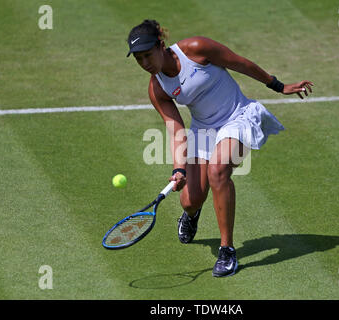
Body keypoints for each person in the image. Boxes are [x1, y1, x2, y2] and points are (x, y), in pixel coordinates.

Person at [126, 19, 313, 277]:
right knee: (190, 201)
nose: (145, 63)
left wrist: (278, 86)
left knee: (218, 171)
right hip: (203, 130)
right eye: (139, 59)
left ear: (161, 45)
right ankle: (191, 215)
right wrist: (179, 167)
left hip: (238, 116)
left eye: (148, 55)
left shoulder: (196, 48)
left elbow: (240, 62)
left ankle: (227, 250)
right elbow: (175, 128)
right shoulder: (157, 88)